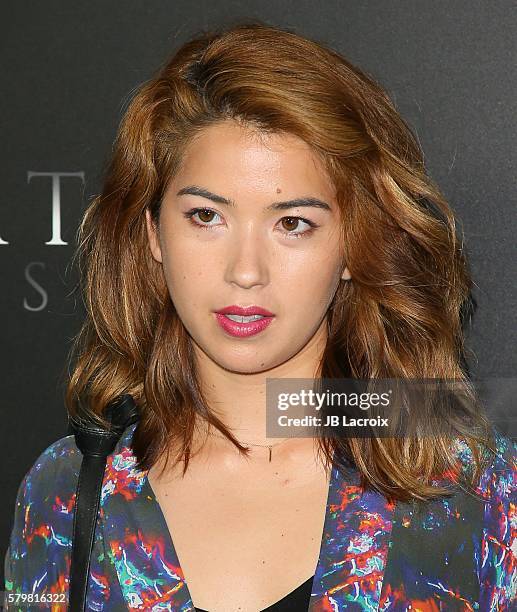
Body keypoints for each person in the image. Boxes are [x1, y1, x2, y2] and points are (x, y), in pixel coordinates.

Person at [4, 21, 516, 611]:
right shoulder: (67, 492)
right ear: (153, 234)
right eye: (205, 217)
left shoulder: (471, 484)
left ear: (355, 245)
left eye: (292, 223)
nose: (245, 271)